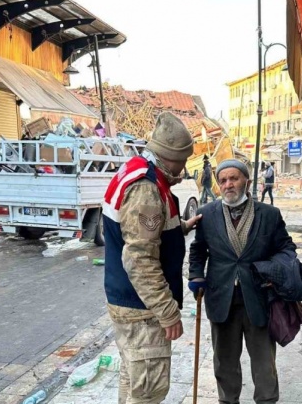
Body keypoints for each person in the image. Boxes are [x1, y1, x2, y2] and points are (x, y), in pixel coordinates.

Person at [103, 112, 202, 404]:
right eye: (182, 161)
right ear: (169, 158)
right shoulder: (146, 187)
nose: (184, 169)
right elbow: (139, 258)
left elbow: (136, 232)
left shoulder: (137, 170)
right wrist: (167, 311)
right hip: (142, 310)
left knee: (133, 379)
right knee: (148, 390)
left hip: (128, 302)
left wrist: (181, 228)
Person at [188, 159, 297, 404]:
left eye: (233, 178)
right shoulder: (207, 213)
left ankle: (266, 401)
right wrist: (196, 275)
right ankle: (228, 401)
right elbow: (198, 250)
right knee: (224, 361)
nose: (228, 184)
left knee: (264, 362)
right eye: (223, 180)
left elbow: (286, 248)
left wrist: (273, 271)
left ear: (246, 181)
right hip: (221, 297)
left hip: (258, 297)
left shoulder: (269, 215)